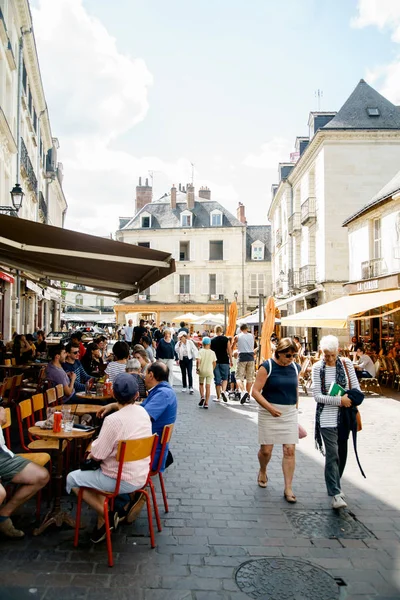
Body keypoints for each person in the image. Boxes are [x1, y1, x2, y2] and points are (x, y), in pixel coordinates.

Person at [66, 374, 152, 543]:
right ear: (136, 395)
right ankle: (102, 519)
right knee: (95, 474)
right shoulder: (142, 412)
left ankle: (107, 515)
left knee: (72, 479)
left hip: (119, 479)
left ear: (114, 394)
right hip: (141, 475)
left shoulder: (113, 420)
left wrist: (94, 446)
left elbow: (98, 455)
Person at [97, 361, 177, 523]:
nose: (143, 377)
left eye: (145, 373)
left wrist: (115, 410)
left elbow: (139, 416)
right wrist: (114, 405)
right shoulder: (161, 391)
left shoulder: (163, 394)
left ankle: (114, 507)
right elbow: (140, 409)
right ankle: (125, 499)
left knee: (104, 456)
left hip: (150, 454)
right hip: (149, 447)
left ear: (151, 375)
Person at [312, 335, 360, 510]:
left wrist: (348, 397)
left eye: (332, 355)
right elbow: (317, 396)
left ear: (338, 351)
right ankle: (335, 493)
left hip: (345, 418)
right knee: (332, 454)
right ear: (321, 353)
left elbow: (357, 389)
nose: (329, 359)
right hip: (326, 418)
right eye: (326, 355)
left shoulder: (347, 365)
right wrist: (340, 400)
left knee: (342, 454)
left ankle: (336, 483)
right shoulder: (317, 368)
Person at [252, 338, 300, 502]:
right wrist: (270, 409)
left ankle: (288, 488)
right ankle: (263, 470)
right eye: (288, 355)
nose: (291, 358)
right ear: (279, 352)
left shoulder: (294, 367)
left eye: (293, 355)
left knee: (289, 450)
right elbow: (255, 391)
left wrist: (296, 408)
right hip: (269, 411)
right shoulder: (267, 367)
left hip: (288, 413)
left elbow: (295, 389)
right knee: (266, 450)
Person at [0, 405, 50, 537]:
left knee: (41, 476)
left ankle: (3, 515)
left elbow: (2, 414)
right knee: (0, 493)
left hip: (2, 454)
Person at [211, 325, 232, 403]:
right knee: (225, 378)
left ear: (215, 330)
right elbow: (229, 351)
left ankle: (218, 397)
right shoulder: (226, 339)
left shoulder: (212, 340)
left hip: (215, 361)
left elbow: (211, 352)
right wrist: (231, 360)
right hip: (225, 360)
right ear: (222, 330)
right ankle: (223, 391)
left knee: (217, 380)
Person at [235, 324, 255, 404]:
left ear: (240, 329)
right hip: (251, 357)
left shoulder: (238, 336)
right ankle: (248, 396)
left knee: (238, 377)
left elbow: (234, 345)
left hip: (242, 356)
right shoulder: (252, 336)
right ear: (247, 328)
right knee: (249, 378)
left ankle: (243, 392)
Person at [196, 337, 217, 409]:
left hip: (202, 370)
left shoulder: (200, 351)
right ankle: (206, 403)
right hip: (209, 371)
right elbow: (214, 363)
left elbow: (198, 360)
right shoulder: (212, 352)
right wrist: (212, 369)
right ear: (209, 344)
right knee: (208, 386)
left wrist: (197, 368)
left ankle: (202, 396)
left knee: (201, 384)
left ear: (203, 344)